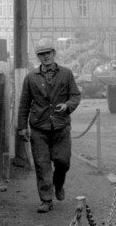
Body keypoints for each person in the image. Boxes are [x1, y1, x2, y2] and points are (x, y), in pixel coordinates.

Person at [17, 40, 81, 213]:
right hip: (39, 127)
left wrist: (67, 106)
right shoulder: (31, 77)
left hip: (60, 126)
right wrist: (22, 126)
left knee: (63, 161)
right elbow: (24, 103)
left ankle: (58, 183)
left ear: (54, 53)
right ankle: (46, 199)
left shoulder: (66, 74)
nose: (45, 56)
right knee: (42, 164)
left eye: (48, 53)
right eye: (41, 54)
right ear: (38, 57)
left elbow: (75, 95)